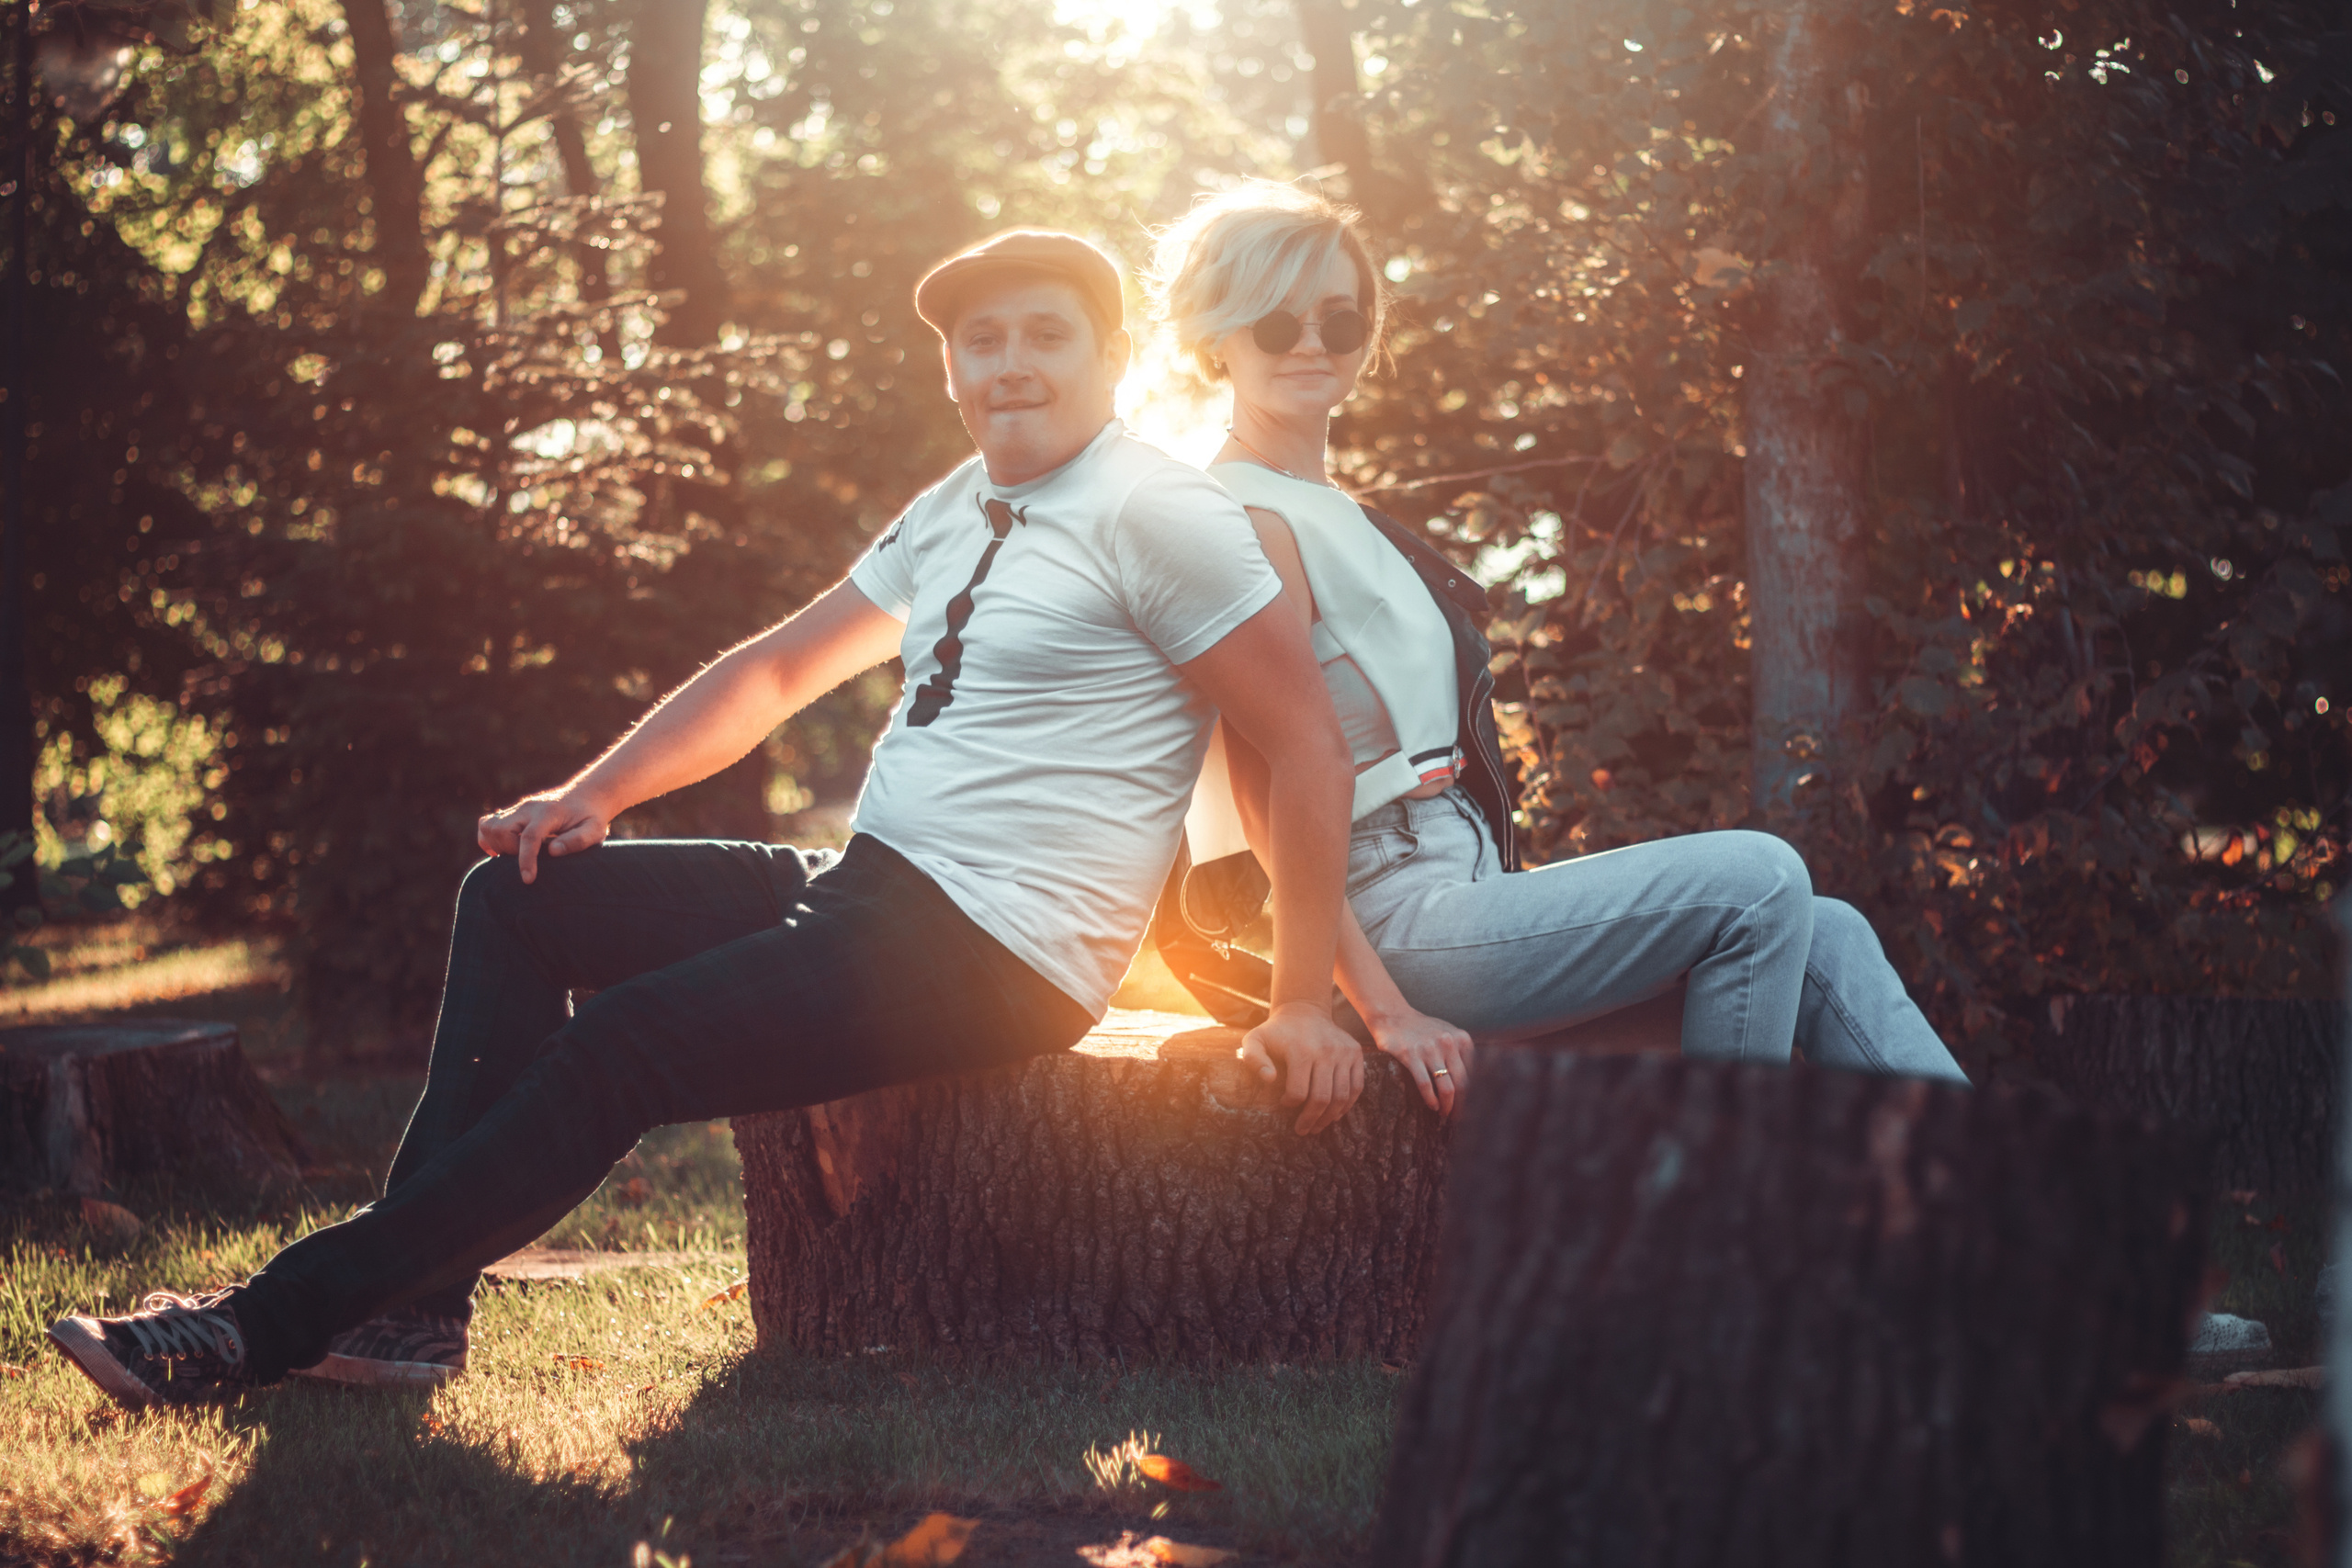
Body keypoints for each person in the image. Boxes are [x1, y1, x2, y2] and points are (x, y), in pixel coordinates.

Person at [48, 229, 1370, 1410]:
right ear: (951, 369)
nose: (1010, 363)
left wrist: (1301, 998)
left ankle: (259, 1325)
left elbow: (1300, 738)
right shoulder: (959, 500)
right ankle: (407, 1311)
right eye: (983, 339)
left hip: (999, 943)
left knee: (631, 1043)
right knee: (518, 896)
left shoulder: (1161, 509)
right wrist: (595, 795)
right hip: (869, 880)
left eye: (1045, 334)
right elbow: (778, 670)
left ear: (1112, 355)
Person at [1145, 184, 1970, 1116]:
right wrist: (1374, 1011)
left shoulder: (1330, 510)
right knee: (1760, 877)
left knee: (1828, 935)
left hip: (1466, 892)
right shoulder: (1244, 518)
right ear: (1216, 335)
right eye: (1273, 320)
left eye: (1338, 321)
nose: (1308, 343)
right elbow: (1266, 792)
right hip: (1385, 915)